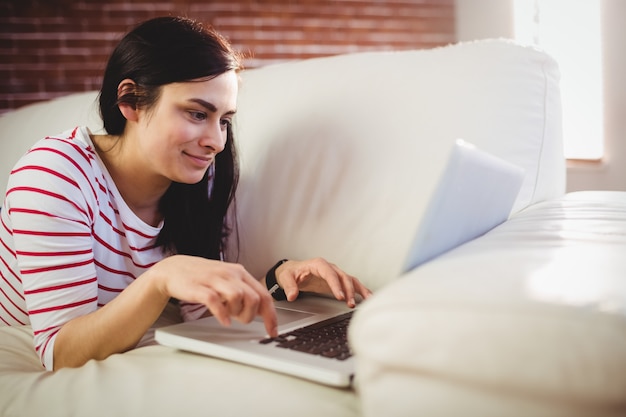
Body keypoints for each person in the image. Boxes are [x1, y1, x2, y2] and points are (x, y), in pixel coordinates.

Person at [0, 16, 371, 371]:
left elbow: (204, 314)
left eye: (224, 120)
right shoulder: (55, 174)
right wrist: (163, 277)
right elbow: (62, 351)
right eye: (197, 114)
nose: (216, 142)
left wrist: (282, 277)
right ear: (129, 100)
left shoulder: (194, 181)